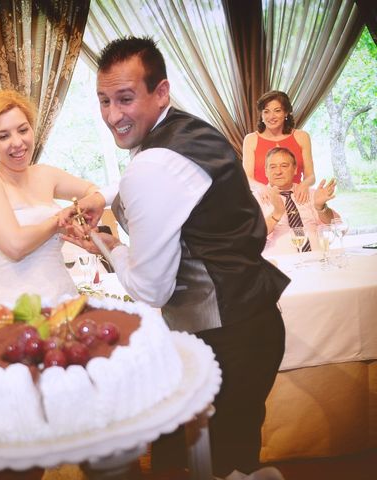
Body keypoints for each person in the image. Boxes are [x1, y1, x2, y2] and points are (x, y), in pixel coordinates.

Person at [62, 37, 289, 479]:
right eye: (104, 101)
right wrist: (102, 193)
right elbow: (171, 183)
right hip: (255, 321)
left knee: (226, 465)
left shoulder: (152, 164)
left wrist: (108, 244)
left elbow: (150, 288)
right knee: (231, 455)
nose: (112, 115)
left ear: (160, 92)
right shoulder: (190, 131)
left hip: (224, 337)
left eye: (125, 99)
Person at [0, 89, 97, 306]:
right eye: (3, 136)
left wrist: (80, 215)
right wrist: (59, 221)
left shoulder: (46, 174)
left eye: (23, 130)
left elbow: (94, 192)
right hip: (12, 313)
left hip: (65, 303)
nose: (17, 142)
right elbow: (15, 245)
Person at [256, 147, 338, 255]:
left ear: (295, 169)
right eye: (272, 167)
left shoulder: (310, 193)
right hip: (280, 264)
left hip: (318, 258)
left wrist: (321, 208)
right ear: (266, 171)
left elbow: (336, 225)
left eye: (284, 166)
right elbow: (252, 235)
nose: (278, 171)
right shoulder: (256, 198)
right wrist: (277, 213)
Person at [242, 90, 315, 204]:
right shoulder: (250, 139)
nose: (271, 116)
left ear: (286, 113)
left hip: (297, 198)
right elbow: (247, 177)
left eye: (277, 111)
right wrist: (262, 188)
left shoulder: (302, 136)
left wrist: (304, 185)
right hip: (265, 200)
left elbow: (310, 176)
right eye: (266, 111)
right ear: (261, 114)